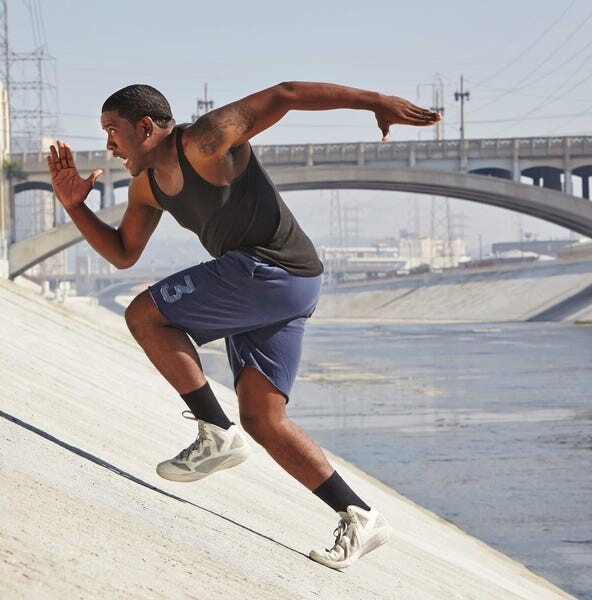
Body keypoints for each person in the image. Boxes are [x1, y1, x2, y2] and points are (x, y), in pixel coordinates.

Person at [47, 82, 440, 570]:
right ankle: (359, 514)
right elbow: (124, 253)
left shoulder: (206, 140)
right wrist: (75, 206)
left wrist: (376, 103)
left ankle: (215, 432)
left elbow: (287, 94)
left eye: (113, 130)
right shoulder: (146, 188)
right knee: (262, 419)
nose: (108, 144)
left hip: (269, 270)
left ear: (145, 127)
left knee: (143, 314)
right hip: (291, 284)